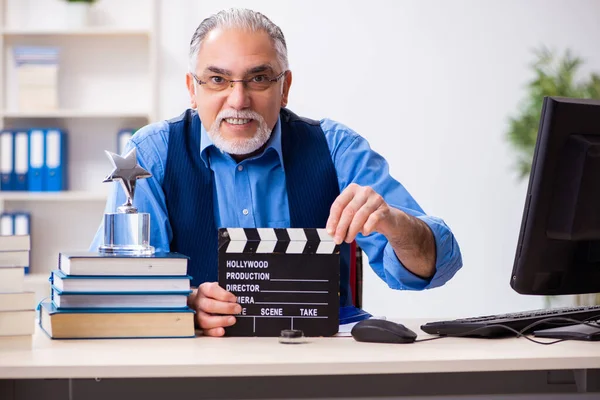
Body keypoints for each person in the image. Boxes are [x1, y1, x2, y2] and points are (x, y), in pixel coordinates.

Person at [90, 8, 463, 337]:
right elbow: (112, 286)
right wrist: (183, 303)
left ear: (284, 88)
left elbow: (434, 267)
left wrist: (395, 223)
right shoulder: (152, 155)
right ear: (192, 88)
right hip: (196, 371)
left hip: (318, 369)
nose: (238, 100)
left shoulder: (336, 149)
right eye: (218, 80)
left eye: (259, 79)